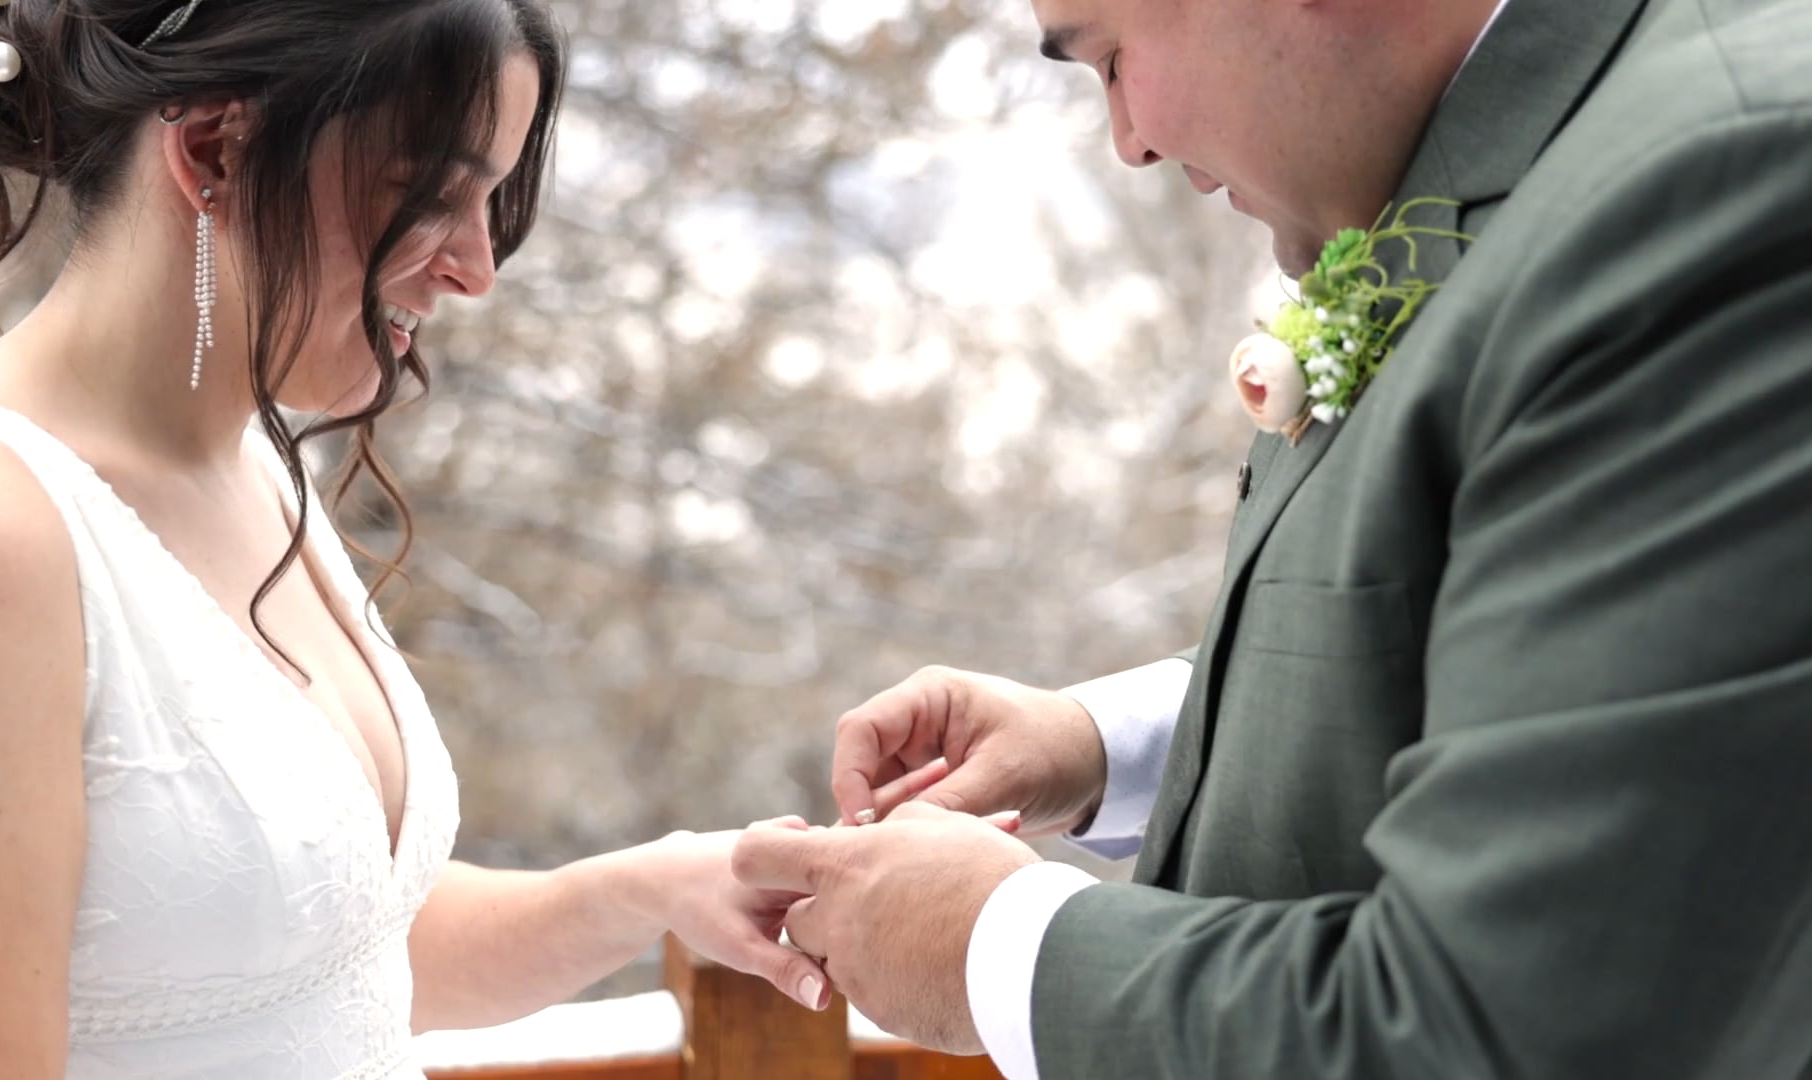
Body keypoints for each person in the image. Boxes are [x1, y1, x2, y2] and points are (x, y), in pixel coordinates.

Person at [732, 0, 1812, 1076]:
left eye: (1112, 58)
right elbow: (1523, 629)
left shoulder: (1715, 192)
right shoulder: (1502, 161)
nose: (1132, 139)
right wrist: (1109, 747)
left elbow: (1508, 1025)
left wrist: (995, 945)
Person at [0, 2, 834, 1076]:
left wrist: (655, 889)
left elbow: (326, 949)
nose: (478, 267)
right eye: (435, 195)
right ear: (213, 149)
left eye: (492, 200)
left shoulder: (252, 473)